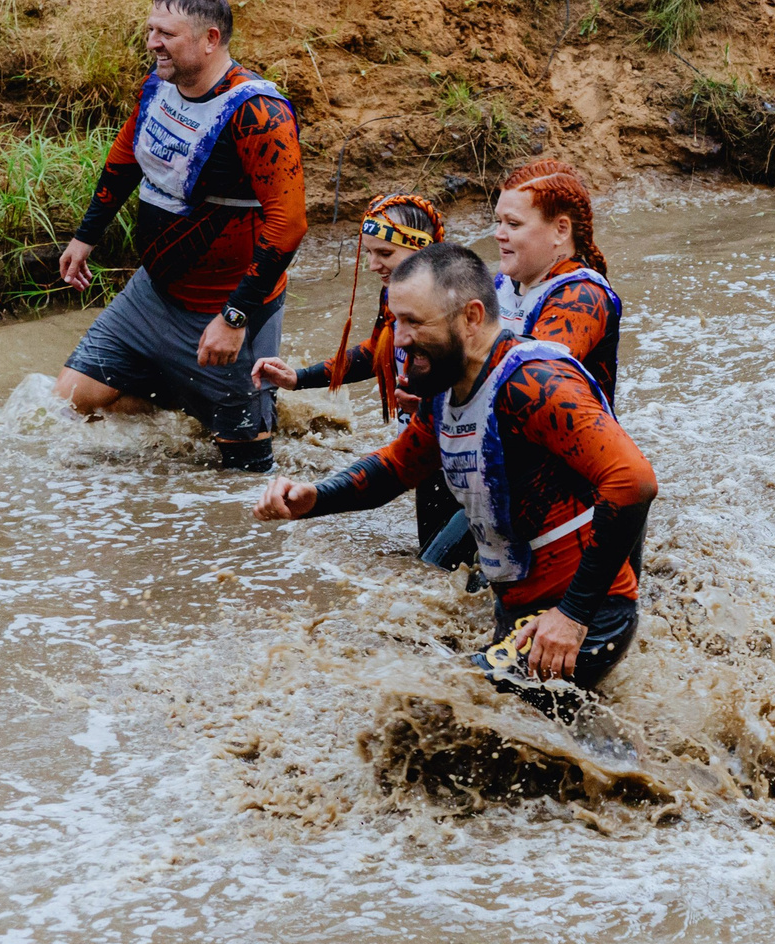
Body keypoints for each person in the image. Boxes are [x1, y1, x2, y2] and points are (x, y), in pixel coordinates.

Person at [252, 242, 656, 701]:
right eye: (396, 320)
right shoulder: (449, 384)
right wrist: (316, 497)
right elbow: (399, 465)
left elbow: (633, 482)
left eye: (414, 322)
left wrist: (573, 616)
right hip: (523, 613)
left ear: (471, 318)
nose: (399, 339)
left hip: (580, 619)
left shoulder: (535, 384)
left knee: (430, 711)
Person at [55, 0, 306, 472]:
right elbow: (125, 158)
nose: (152, 43)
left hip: (227, 310)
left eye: (165, 33)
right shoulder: (159, 86)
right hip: (152, 296)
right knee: (66, 404)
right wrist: (87, 235)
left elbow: (289, 224)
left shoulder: (260, 115)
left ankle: (225, 406)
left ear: (210, 39)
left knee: (244, 470)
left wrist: (235, 319)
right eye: (151, 30)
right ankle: (180, 403)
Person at [252, 193, 445, 422]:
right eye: (369, 252)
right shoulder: (392, 295)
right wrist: (298, 378)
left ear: (422, 249)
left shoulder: (450, 307)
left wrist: (432, 405)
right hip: (415, 433)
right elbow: (377, 352)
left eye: (385, 253)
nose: (373, 266)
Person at [490, 158, 623, 408]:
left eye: (513, 224)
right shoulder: (504, 281)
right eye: (499, 222)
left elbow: (530, 382)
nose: (498, 234)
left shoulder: (583, 297)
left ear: (561, 230)